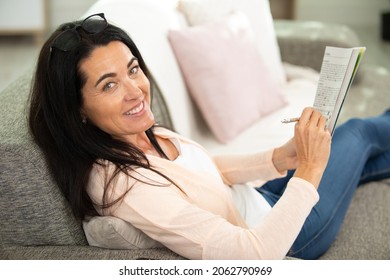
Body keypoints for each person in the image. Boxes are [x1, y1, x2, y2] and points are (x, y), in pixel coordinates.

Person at [28, 13, 390, 260]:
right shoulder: (124, 187)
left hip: (261, 198)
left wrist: (281, 157)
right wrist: (309, 168)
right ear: (75, 108)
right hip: (290, 235)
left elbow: (203, 170)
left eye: (133, 69)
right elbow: (253, 256)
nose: (136, 90)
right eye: (109, 85)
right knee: (360, 132)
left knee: (368, 156)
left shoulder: (130, 132)